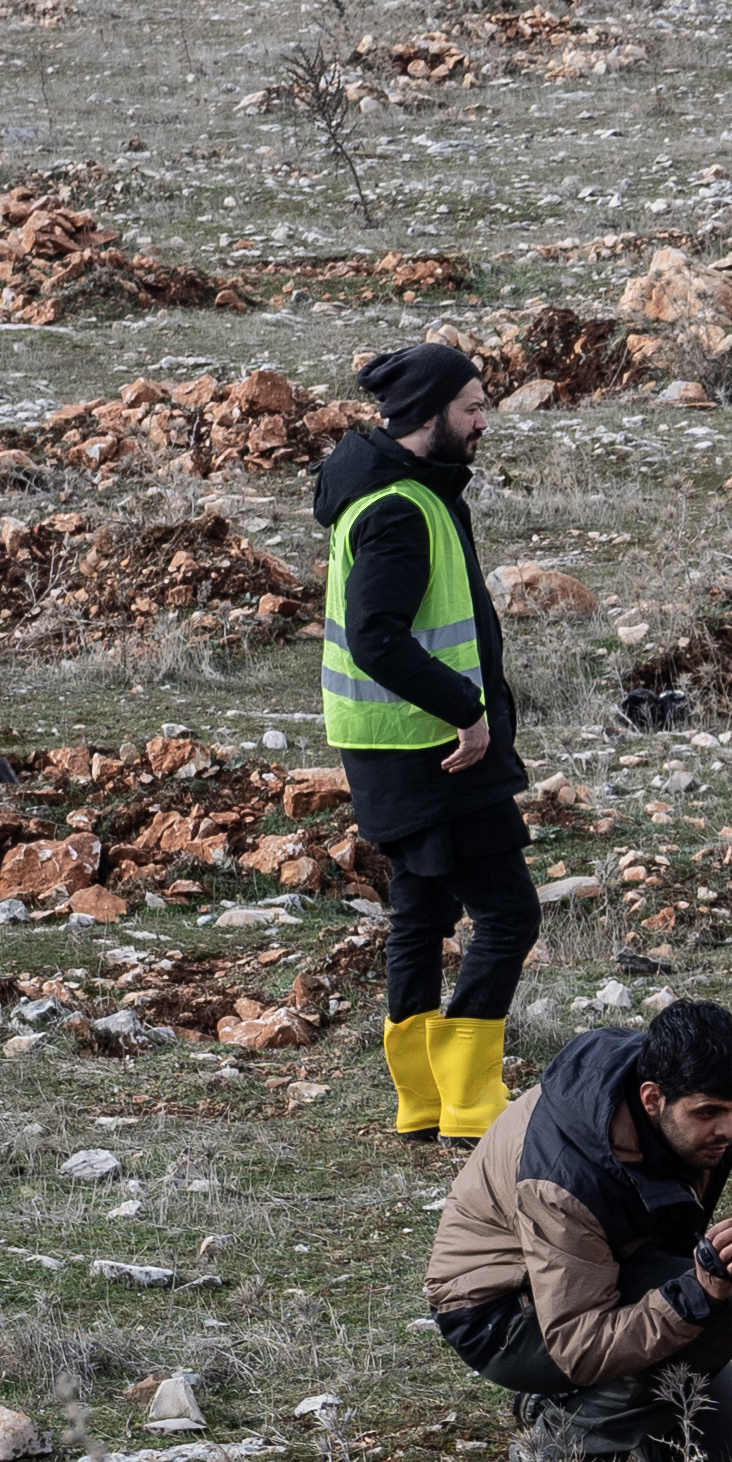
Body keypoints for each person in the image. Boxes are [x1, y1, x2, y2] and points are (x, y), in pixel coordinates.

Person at [424, 998, 732, 1462]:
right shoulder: (564, 1177)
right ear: (652, 1099)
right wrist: (694, 1297)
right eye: (708, 1113)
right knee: (723, 1308)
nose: (727, 1129)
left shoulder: (685, 1094)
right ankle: (559, 1443)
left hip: (601, 1269)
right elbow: (577, 1341)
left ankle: (578, 1404)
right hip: (502, 1313)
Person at [318, 342, 537, 1148]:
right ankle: (471, 1101)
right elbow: (377, 636)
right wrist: (466, 710)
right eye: (472, 408)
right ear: (427, 414)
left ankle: (422, 1100)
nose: (483, 423)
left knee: (421, 910)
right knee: (509, 916)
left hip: (394, 747)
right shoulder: (399, 509)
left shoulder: (392, 490)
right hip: (436, 751)